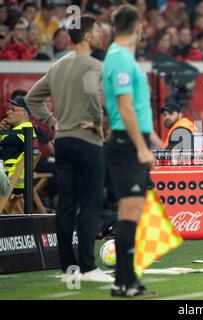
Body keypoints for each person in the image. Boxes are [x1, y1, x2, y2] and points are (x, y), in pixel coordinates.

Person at [25, 16, 113, 283]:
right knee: (89, 205)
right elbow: (90, 95)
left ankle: (68, 269)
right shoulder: (92, 64)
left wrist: (54, 123)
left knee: (66, 205)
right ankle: (88, 267)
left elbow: (31, 98)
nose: (101, 34)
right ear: (86, 36)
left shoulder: (57, 66)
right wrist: (99, 123)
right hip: (87, 141)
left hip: (62, 142)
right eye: (97, 30)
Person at [102, 4, 158, 298]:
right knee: (131, 213)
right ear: (139, 27)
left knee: (128, 213)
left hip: (128, 140)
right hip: (127, 145)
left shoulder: (116, 56)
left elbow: (130, 106)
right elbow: (124, 107)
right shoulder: (121, 58)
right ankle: (127, 282)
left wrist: (154, 139)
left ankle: (124, 282)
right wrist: (141, 147)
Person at [0, 97, 36, 195]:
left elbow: (4, 149)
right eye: (8, 109)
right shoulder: (14, 131)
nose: (8, 112)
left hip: (8, 180)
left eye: (13, 109)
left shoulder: (26, 128)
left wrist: (3, 132)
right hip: (8, 179)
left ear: (24, 114)